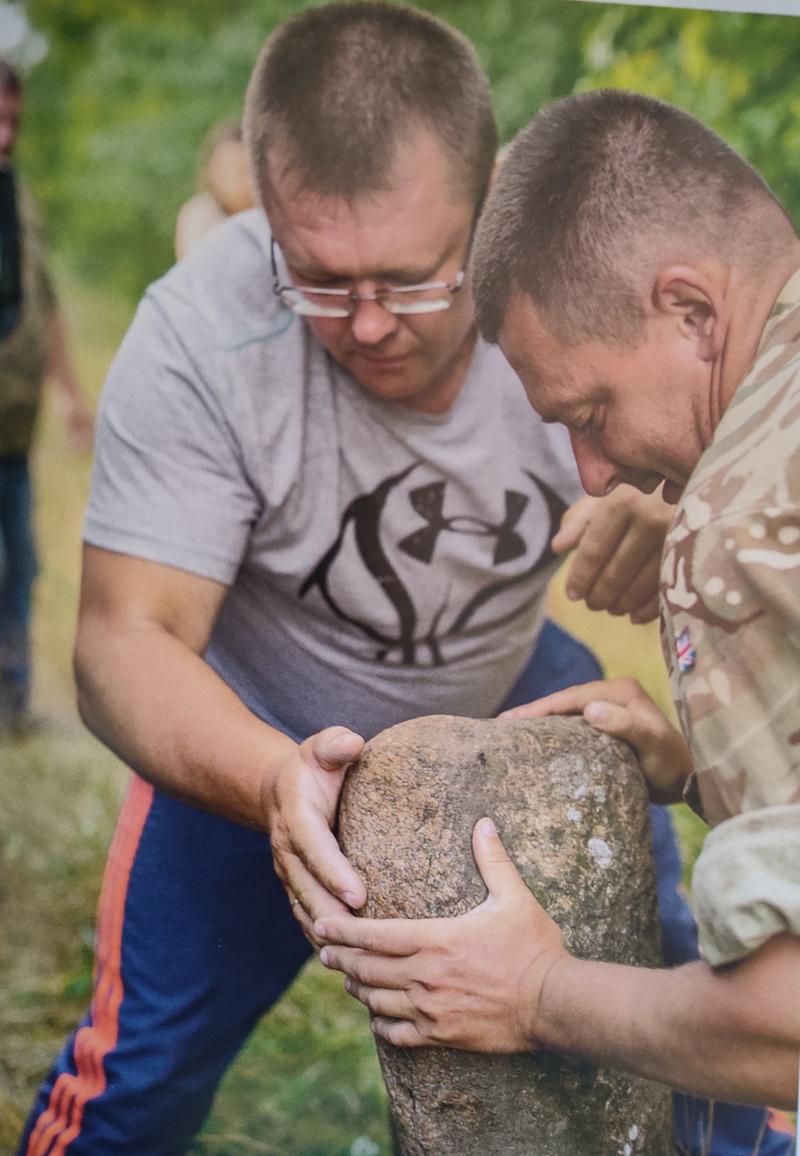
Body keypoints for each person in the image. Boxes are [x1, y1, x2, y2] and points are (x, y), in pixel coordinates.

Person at [15, 14, 732, 1153]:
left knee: (681, 1028)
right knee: (138, 1077)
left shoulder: (586, 292)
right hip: (258, 726)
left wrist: (674, 500)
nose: (363, 327)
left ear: (491, 200)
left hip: (509, 689)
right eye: (316, 278)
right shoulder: (201, 332)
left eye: (408, 280)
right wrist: (266, 779)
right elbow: (121, 642)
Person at [317, 90, 800, 1134]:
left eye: (589, 414)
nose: (591, 473)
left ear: (691, 309)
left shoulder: (739, 518)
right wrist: (702, 768)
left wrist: (533, 991)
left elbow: (786, 1027)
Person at [0, 59, 93, 736]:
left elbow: (43, 298)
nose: (5, 135)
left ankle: (14, 700)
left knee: (21, 565)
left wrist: (71, 394)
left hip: (14, 431)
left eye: (13, 120)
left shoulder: (17, 193)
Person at [174, 119, 255, 260]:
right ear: (212, 171)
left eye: (243, 168)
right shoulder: (199, 215)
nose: (235, 178)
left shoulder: (274, 214)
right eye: (227, 168)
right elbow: (195, 270)